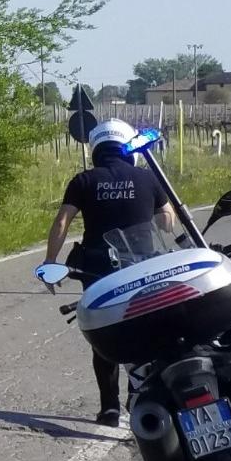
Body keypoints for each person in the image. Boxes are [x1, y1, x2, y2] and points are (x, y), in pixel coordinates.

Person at [41, 118, 178, 427]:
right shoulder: (146, 178)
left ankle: (109, 409)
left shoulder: (83, 180)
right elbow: (168, 221)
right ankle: (139, 395)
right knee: (145, 331)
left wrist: (51, 261)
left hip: (97, 270)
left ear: (96, 149)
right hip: (142, 266)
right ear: (127, 147)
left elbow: (62, 221)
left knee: (104, 337)